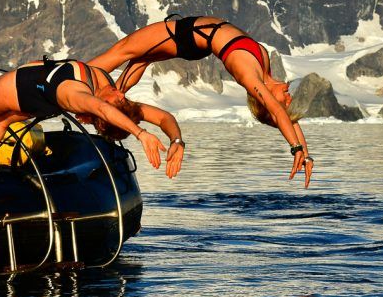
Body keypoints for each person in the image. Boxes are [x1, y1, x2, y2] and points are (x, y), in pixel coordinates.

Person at [87, 15, 314, 187]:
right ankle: (107, 103)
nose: (289, 97)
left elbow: (278, 112)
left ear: (266, 102)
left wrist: (294, 148)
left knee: (119, 53)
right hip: (194, 39)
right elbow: (286, 119)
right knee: (142, 59)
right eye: (288, 100)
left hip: (184, 36)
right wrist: (306, 153)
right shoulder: (264, 72)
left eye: (286, 101)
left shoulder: (249, 77)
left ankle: (78, 84)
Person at [0, 58, 185, 197]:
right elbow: (162, 117)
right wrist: (177, 142)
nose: (120, 93)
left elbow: (104, 109)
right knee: (1, 122)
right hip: (41, 102)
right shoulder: (109, 95)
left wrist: (140, 134)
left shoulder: (83, 97)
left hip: (19, 87)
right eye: (123, 98)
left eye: (119, 100)